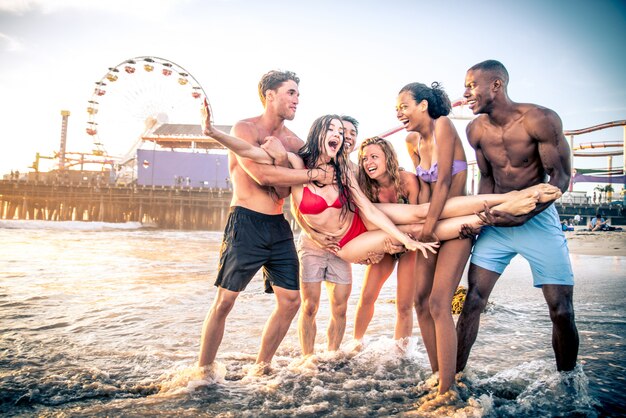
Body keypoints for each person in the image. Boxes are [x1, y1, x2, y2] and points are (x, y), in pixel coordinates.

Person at [197, 70, 337, 374]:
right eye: (291, 92)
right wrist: (307, 172)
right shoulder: (244, 129)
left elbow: (289, 189)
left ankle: (262, 366)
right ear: (269, 95)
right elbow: (262, 176)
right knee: (225, 301)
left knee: (290, 302)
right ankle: (203, 371)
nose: (296, 99)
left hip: (278, 226)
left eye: (298, 94)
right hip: (245, 223)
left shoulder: (296, 142)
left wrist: (287, 160)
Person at [456, 60, 579, 376]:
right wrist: (480, 220)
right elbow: (485, 179)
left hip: (537, 219)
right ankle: (452, 380)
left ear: (495, 85)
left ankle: (567, 386)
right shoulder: (476, 130)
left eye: (471, 85)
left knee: (562, 311)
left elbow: (560, 178)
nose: (466, 93)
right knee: (472, 302)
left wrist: (523, 215)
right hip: (496, 223)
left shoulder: (540, 119)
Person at [395, 81, 472, 399]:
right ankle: (437, 373)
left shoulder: (444, 126)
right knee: (420, 302)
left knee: (440, 303)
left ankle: (447, 390)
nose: (399, 112)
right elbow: (425, 190)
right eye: (396, 108)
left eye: (403, 105)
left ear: (423, 105)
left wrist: (427, 229)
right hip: (430, 226)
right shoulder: (411, 140)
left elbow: (442, 184)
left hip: (455, 227)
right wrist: (417, 226)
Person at [294, 115, 360, 358]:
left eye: (342, 133)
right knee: (309, 306)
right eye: (332, 130)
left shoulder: (349, 170)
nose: (340, 136)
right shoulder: (301, 164)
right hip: (312, 246)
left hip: (341, 248)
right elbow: (296, 207)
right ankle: (308, 358)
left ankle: (332, 356)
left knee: (340, 308)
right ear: (318, 132)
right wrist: (316, 236)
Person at [352, 136, 419, 346]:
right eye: (364, 159)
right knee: (366, 297)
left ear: (388, 157)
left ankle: (401, 353)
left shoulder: (407, 181)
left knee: (404, 305)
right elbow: (367, 223)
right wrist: (382, 245)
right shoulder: (367, 188)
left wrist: (403, 241)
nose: (368, 163)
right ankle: (356, 344)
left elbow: (419, 219)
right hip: (386, 243)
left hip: (412, 245)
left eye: (374, 157)